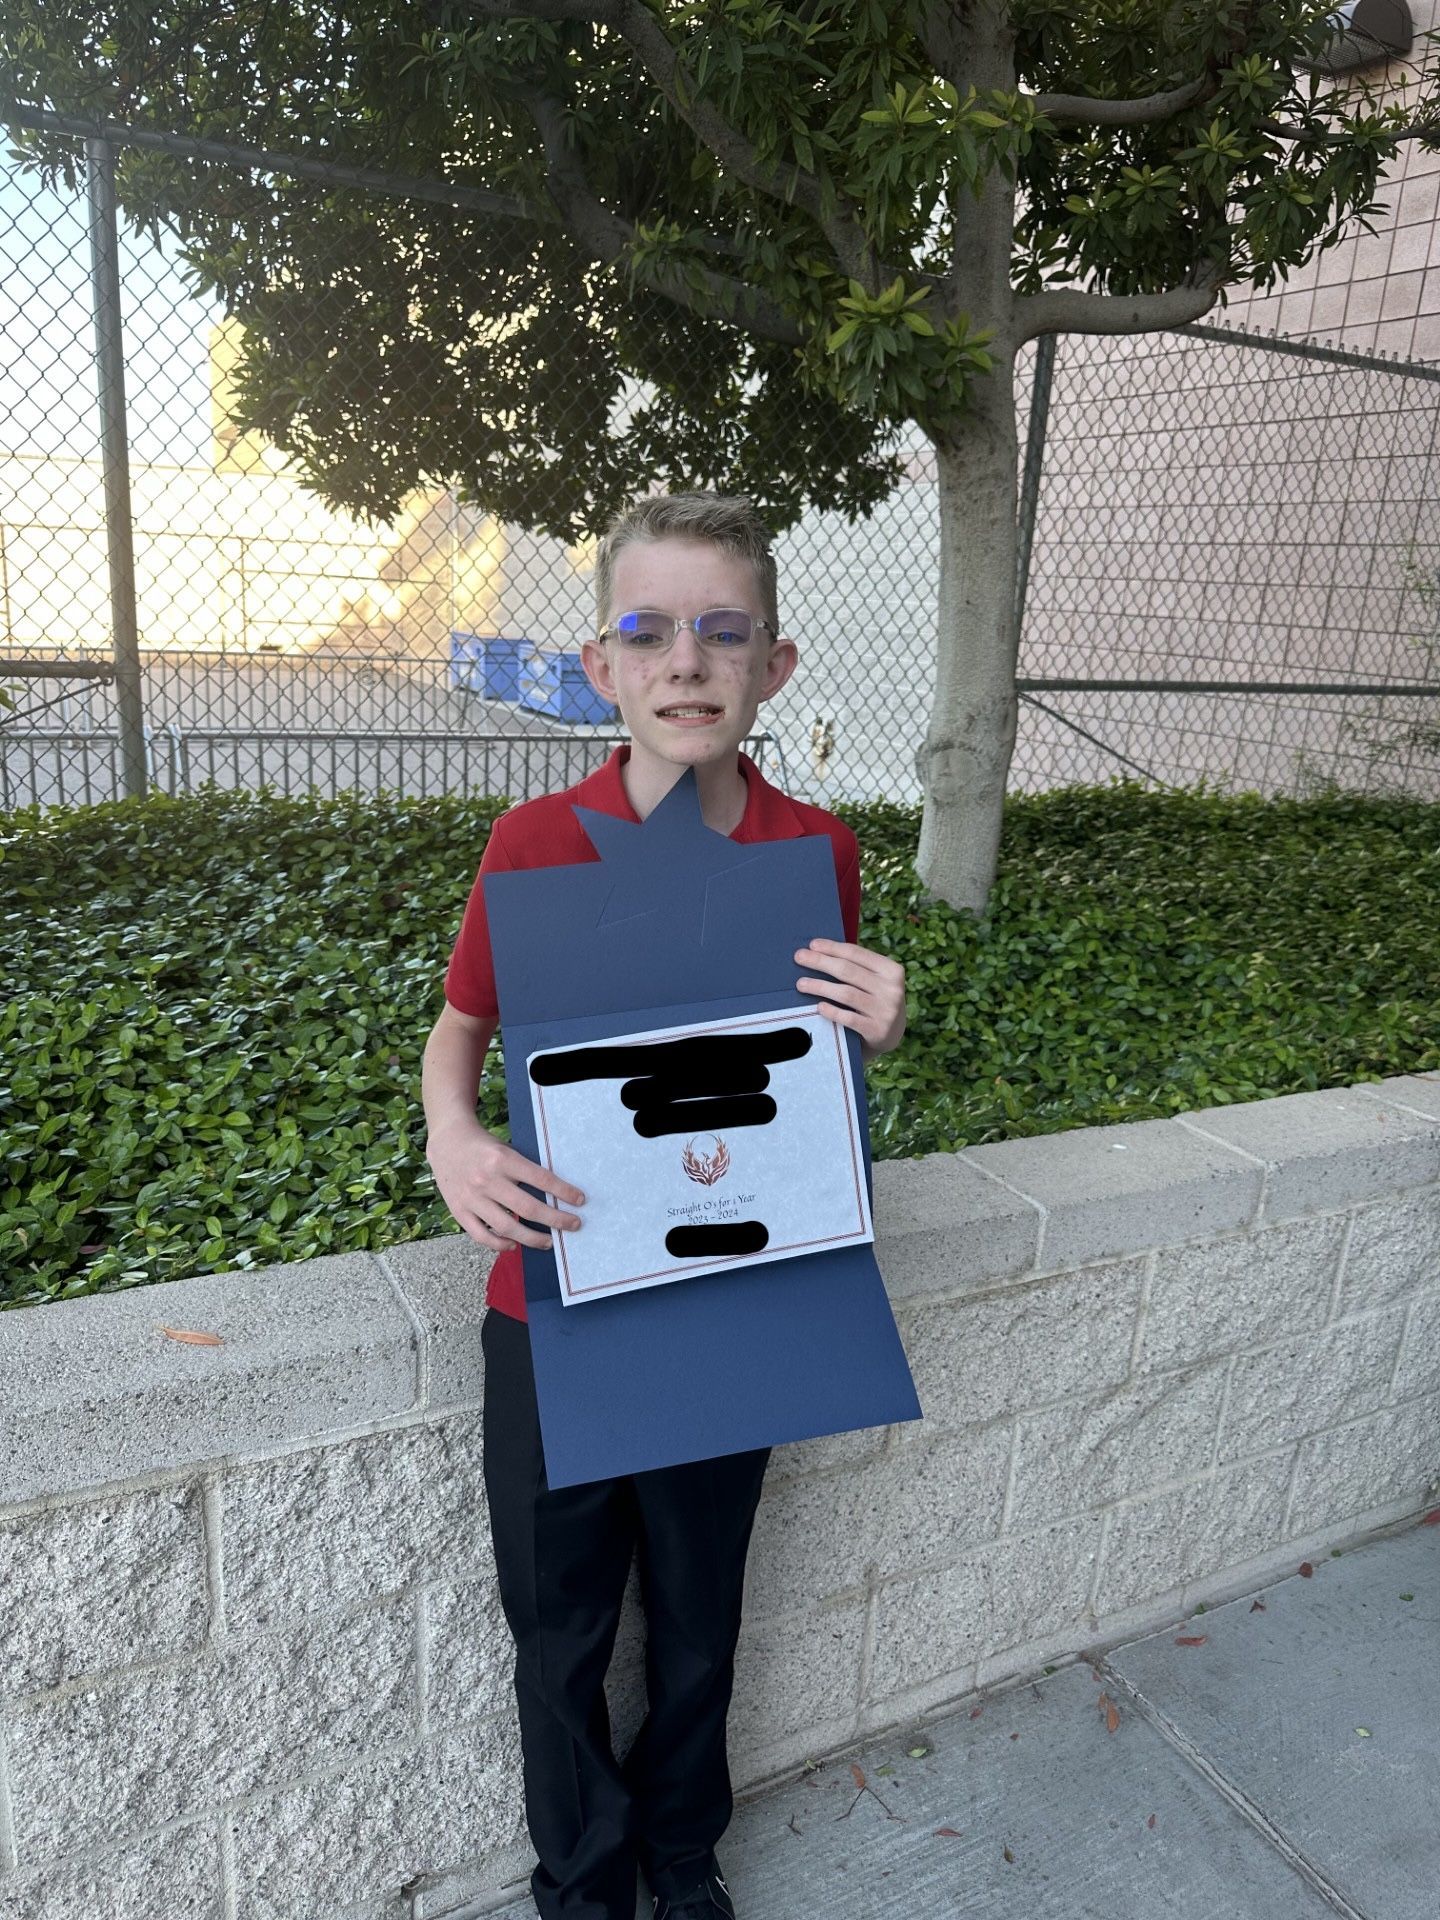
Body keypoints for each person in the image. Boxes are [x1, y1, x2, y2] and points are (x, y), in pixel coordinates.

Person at [422, 491, 907, 1920]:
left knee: (700, 1618)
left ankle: (683, 1853)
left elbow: (798, 1063)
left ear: (776, 665)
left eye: (722, 632)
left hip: (731, 1298)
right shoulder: (531, 843)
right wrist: (454, 1140)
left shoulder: (815, 851)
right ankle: (580, 1882)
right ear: (602, 667)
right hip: (558, 1296)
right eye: (649, 633)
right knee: (559, 1623)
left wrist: (878, 1021)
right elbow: (460, 1029)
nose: (686, 663)